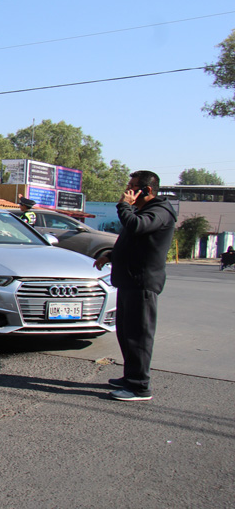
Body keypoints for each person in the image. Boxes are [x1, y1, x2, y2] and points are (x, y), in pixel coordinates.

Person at [94, 170, 177, 402]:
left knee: (139, 335)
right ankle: (131, 377)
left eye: (132, 187)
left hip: (142, 282)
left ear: (147, 190)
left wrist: (124, 206)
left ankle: (140, 386)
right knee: (127, 332)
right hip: (129, 280)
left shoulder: (159, 211)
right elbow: (135, 242)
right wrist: (111, 255)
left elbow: (136, 226)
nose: (127, 191)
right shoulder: (145, 211)